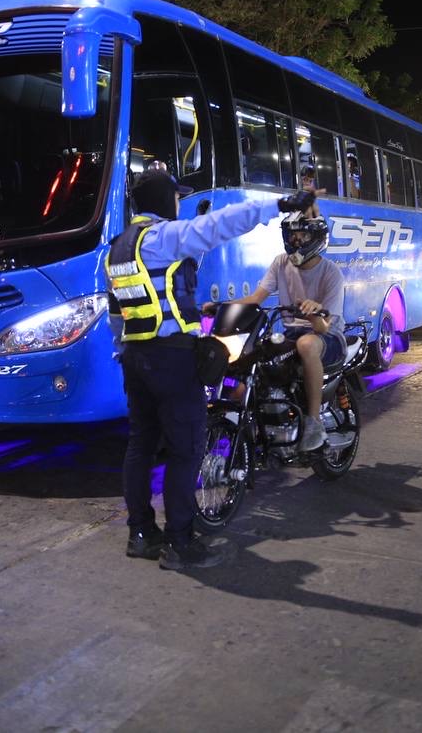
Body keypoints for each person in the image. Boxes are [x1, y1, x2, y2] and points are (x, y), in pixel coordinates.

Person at [106, 169, 318, 570]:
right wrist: (277, 205)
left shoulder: (118, 247)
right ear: (163, 199)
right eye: (175, 197)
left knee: (140, 446)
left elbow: (117, 313)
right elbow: (219, 225)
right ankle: (180, 543)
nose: (178, 204)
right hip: (171, 358)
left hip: (135, 358)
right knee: (186, 450)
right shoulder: (163, 236)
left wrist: (125, 352)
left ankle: (141, 534)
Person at [211, 209, 346, 456]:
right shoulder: (281, 262)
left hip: (329, 336)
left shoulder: (331, 272)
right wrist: (221, 306)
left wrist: (313, 314)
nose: (296, 240)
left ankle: (314, 423)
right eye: (292, 235)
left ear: (317, 237)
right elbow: (256, 298)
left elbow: (324, 327)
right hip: (292, 333)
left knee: (306, 344)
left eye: (302, 235)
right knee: (256, 355)